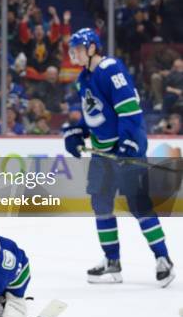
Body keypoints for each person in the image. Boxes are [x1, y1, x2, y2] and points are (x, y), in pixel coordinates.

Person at [63, 28, 175, 287]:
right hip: (103, 153)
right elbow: (95, 116)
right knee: (100, 204)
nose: (73, 53)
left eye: (78, 48)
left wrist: (128, 143)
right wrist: (77, 132)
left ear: (92, 48)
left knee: (138, 204)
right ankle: (112, 262)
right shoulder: (84, 79)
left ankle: (163, 259)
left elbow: (129, 110)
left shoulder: (111, 69)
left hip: (127, 149)